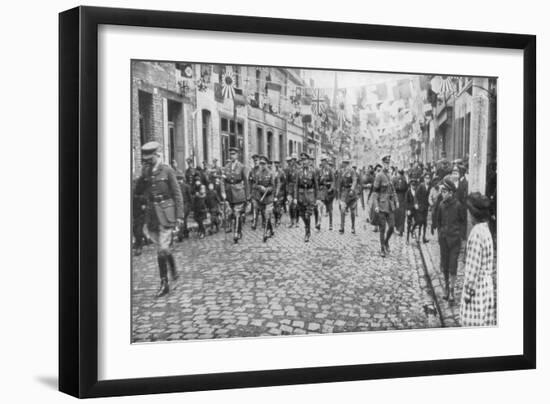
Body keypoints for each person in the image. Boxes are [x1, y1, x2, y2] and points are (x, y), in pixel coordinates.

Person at [140, 141, 184, 298]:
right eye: (145, 159)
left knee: (162, 249)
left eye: (150, 159)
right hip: (152, 215)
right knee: (162, 248)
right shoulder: (146, 171)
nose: (147, 162)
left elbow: (177, 194)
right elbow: (140, 190)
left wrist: (180, 216)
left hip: (166, 213)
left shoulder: (167, 170)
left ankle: (164, 283)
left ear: (157, 155)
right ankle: (172, 267)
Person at [459, 192, 496, 326]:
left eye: (469, 212)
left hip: (477, 289)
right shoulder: (486, 230)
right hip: (487, 287)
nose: (468, 215)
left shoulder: (475, 234)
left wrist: (467, 295)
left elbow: (472, 271)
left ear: (473, 214)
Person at [433, 176, 466, 303]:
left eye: (445, 192)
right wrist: (440, 234)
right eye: (442, 191)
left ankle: (452, 291)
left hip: (455, 242)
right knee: (445, 266)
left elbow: (463, 222)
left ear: (451, 193)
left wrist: (460, 237)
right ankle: (446, 289)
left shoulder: (458, 205)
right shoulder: (441, 205)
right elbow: (439, 222)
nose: (442, 194)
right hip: (444, 241)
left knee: (453, 266)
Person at [221, 147, 249, 243]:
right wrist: (223, 192)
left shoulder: (242, 167)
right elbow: (222, 180)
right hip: (229, 194)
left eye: (234, 154)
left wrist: (247, 196)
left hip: (239, 193)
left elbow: (246, 182)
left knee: (237, 213)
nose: (232, 156)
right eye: (231, 154)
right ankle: (239, 230)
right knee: (233, 214)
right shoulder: (226, 166)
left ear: (237, 155)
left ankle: (236, 233)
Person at [373, 155, 398, 257]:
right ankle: (382, 248)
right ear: (383, 164)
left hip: (390, 205)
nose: (387, 165)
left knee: (391, 227)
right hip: (382, 205)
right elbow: (375, 192)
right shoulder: (379, 176)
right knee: (382, 228)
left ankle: (386, 242)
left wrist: (396, 200)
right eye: (386, 163)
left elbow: (393, 190)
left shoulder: (391, 175)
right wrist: (376, 205)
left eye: (388, 163)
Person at [294, 152, 318, 242]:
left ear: (308, 161)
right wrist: (295, 198)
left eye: (305, 160)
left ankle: (307, 232)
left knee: (308, 215)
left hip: (310, 195)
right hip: (300, 195)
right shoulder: (298, 172)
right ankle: (307, 226)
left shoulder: (313, 171)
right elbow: (296, 185)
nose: (304, 162)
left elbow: (316, 185)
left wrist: (316, 198)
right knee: (301, 214)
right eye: (302, 160)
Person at [254, 155, 276, 242]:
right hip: (261, 198)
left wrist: (267, 189)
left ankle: (265, 233)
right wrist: (260, 187)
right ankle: (271, 230)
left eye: (263, 164)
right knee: (264, 215)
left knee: (267, 215)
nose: (262, 165)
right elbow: (255, 185)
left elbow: (273, 186)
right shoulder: (257, 174)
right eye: (261, 164)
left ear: (266, 164)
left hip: (269, 197)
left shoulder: (271, 173)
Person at [337, 158, 358, 234]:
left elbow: (355, 180)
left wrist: (352, 189)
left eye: (346, 163)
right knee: (342, 210)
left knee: (352, 211)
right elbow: (339, 183)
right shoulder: (341, 171)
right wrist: (339, 196)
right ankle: (342, 227)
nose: (344, 164)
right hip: (344, 193)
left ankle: (353, 227)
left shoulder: (352, 171)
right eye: (344, 163)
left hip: (351, 193)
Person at [316, 154, 336, 230]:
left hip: (329, 191)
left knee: (330, 208)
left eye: (324, 161)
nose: (322, 162)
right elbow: (317, 181)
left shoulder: (330, 170)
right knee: (320, 206)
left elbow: (333, 181)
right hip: (322, 191)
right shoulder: (320, 170)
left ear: (326, 161)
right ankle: (319, 223)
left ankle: (330, 224)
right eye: (322, 161)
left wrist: (331, 188)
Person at [132, 175, 148, 256]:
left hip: (141, 214)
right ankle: (144, 240)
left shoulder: (142, 195)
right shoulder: (134, 194)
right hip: (135, 213)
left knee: (138, 230)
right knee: (135, 229)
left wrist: (143, 205)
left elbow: (145, 205)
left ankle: (139, 247)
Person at [175, 172, 193, 241]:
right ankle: (185, 232)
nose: (179, 181)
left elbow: (190, 197)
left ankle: (181, 235)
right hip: (179, 206)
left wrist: (190, 207)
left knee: (183, 220)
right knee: (183, 221)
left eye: (180, 179)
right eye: (177, 179)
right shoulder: (175, 187)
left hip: (185, 205)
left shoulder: (186, 187)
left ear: (182, 179)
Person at [416, 173, 431, 243]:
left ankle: (424, 237)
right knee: (420, 222)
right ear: (424, 179)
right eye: (426, 178)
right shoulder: (421, 186)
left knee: (425, 222)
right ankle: (418, 237)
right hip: (420, 206)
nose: (427, 179)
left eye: (429, 178)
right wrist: (417, 204)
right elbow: (416, 195)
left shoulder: (430, 186)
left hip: (426, 207)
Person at [392, 169, 408, 236]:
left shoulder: (394, 179)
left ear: (398, 173)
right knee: (402, 215)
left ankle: (396, 228)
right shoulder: (404, 180)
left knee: (396, 214)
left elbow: (392, 189)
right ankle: (401, 230)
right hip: (402, 199)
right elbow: (406, 190)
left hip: (396, 198)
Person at [285, 153, 300, 228]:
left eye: (294, 159)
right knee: (290, 206)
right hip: (290, 189)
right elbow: (287, 181)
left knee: (296, 206)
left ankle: (297, 221)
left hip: (297, 189)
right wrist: (287, 191)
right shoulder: (288, 169)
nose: (293, 161)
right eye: (292, 160)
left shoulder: (299, 168)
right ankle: (291, 221)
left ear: (296, 160)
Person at [248, 154, 261, 230]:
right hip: (254, 191)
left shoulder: (262, 170)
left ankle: (264, 221)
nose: (255, 162)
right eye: (254, 161)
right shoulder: (252, 171)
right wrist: (249, 192)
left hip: (261, 191)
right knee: (255, 207)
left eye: (257, 160)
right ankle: (254, 222)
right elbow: (249, 182)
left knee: (262, 207)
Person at [404, 178, 418, 244]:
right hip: (410, 210)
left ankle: (412, 230)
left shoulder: (417, 191)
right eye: (412, 185)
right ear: (410, 185)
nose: (413, 186)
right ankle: (407, 239)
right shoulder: (408, 192)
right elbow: (406, 202)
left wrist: (417, 205)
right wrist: (408, 210)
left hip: (416, 210)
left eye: (414, 185)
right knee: (409, 224)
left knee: (417, 221)